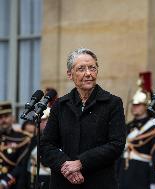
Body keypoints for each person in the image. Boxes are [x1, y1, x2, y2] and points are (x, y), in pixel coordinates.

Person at [40, 48, 126, 189]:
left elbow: (116, 144)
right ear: (70, 74)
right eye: (81, 69)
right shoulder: (60, 105)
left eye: (92, 68)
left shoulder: (112, 103)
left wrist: (80, 162)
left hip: (99, 182)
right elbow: (46, 145)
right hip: (63, 182)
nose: (88, 74)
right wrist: (66, 166)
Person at [118, 73, 155, 189]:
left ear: (146, 106)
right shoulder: (127, 126)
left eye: (138, 104)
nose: (134, 106)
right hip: (123, 174)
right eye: (133, 104)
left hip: (142, 175)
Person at [0, 101, 32, 189]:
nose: (3, 120)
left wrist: (4, 182)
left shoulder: (22, 139)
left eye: (6, 116)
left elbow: (21, 166)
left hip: (10, 184)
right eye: (0, 117)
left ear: (12, 118)